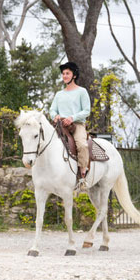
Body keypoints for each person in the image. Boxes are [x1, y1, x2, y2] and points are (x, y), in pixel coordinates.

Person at [49, 61, 91, 189]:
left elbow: (86, 111)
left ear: (74, 75)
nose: (64, 76)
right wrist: (55, 116)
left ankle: (82, 175)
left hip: (77, 124)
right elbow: (52, 110)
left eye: (67, 73)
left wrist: (72, 118)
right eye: (63, 74)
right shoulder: (59, 94)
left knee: (82, 145)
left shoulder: (82, 92)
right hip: (60, 125)